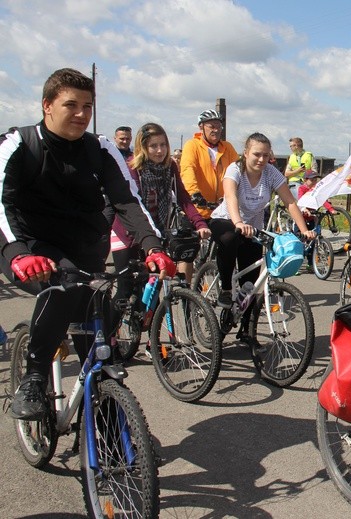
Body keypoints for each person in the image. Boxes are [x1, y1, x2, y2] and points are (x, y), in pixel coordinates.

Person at [0, 68, 175, 421]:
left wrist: (153, 247)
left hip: (84, 246)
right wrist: (18, 253)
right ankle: (34, 377)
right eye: (71, 105)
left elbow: (128, 201)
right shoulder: (19, 143)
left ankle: (110, 423)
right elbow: (2, 202)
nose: (81, 114)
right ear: (47, 105)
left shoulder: (100, 148)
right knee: (62, 291)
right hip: (31, 247)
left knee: (98, 326)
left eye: (88, 106)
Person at [110, 123, 210, 342]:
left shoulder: (170, 168)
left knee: (153, 284)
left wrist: (199, 223)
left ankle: (151, 342)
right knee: (125, 288)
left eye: (163, 145)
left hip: (156, 232)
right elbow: (134, 205)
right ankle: (109, 338)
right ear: (143, 147)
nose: (159, 150)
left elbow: (183, 198)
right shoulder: (132, 167)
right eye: (153, 146)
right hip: (126, 232)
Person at [209, 132, 315, 308]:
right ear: (246, 153)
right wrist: (239, 223)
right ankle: (226, 289)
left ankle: (246, 329)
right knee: (230, 239)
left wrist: (304, 230)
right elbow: (230, 197)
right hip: (227, 220)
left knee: (250, 285)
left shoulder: (270, 172)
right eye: (257, 154)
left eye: (266, 155)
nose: (261, 159)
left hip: (253, 227)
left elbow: (289, 202)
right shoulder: (235, 169)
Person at [179, 109, 239, 280]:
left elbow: (238, 170)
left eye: (219, 126)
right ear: (202, 127)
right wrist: (194, 193)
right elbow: (187, 169)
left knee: (229, 240)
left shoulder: (227, 148)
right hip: (196, 208)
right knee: (187, 251)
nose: (216, 130)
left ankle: (226, 284)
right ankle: (185, 291)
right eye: (211, 126)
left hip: (219, 209)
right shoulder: (192, 145)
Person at [297, 169, 336, 271]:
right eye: (312, 180)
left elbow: (322, 200)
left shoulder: (316, 190)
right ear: (305, 180)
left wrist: (331, 209)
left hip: (312, 218)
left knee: (313, 241)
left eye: (315, 180)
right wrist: (304, 209)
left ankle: (311, 263)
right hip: (301, 219)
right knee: (300, 242)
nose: (314, 182)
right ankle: (297, 265)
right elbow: (300, 200)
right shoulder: (302, 189)